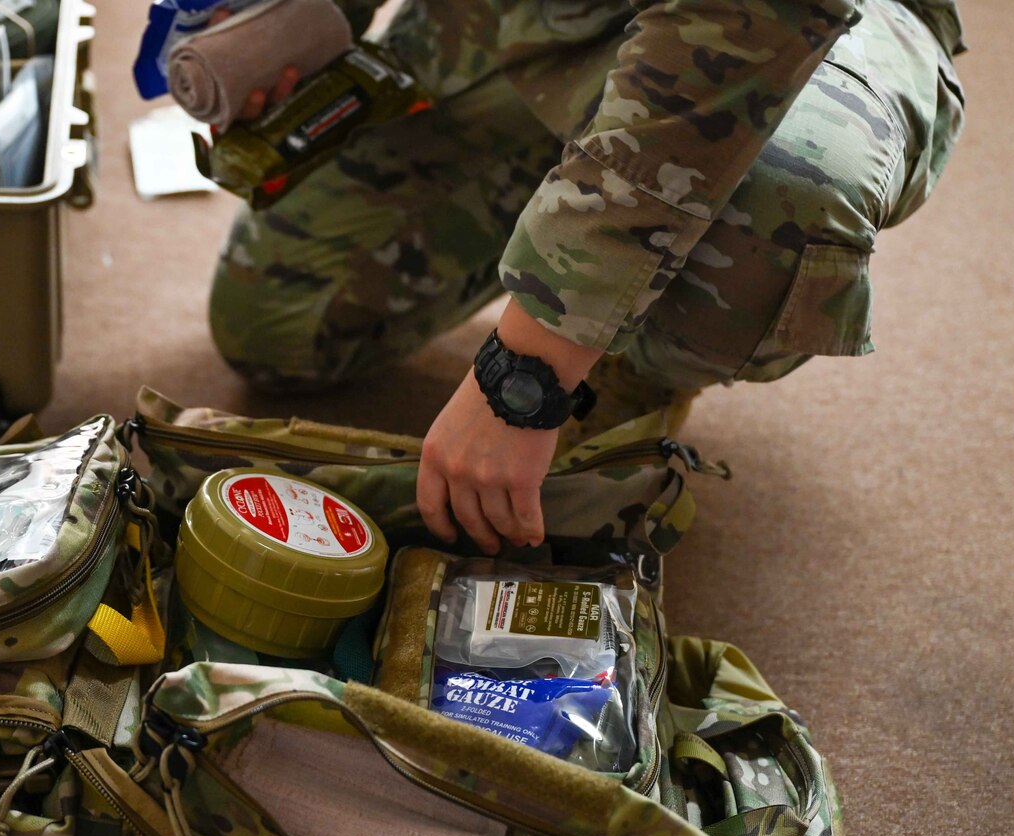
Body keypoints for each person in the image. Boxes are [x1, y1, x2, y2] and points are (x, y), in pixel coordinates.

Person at [202, 0, 965, 554]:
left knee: (778, 197)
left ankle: (637, 343)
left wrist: (523, 377)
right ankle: (583, 212)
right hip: (539, 16)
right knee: (278, 328)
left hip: (782, 30)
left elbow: (746, 28)